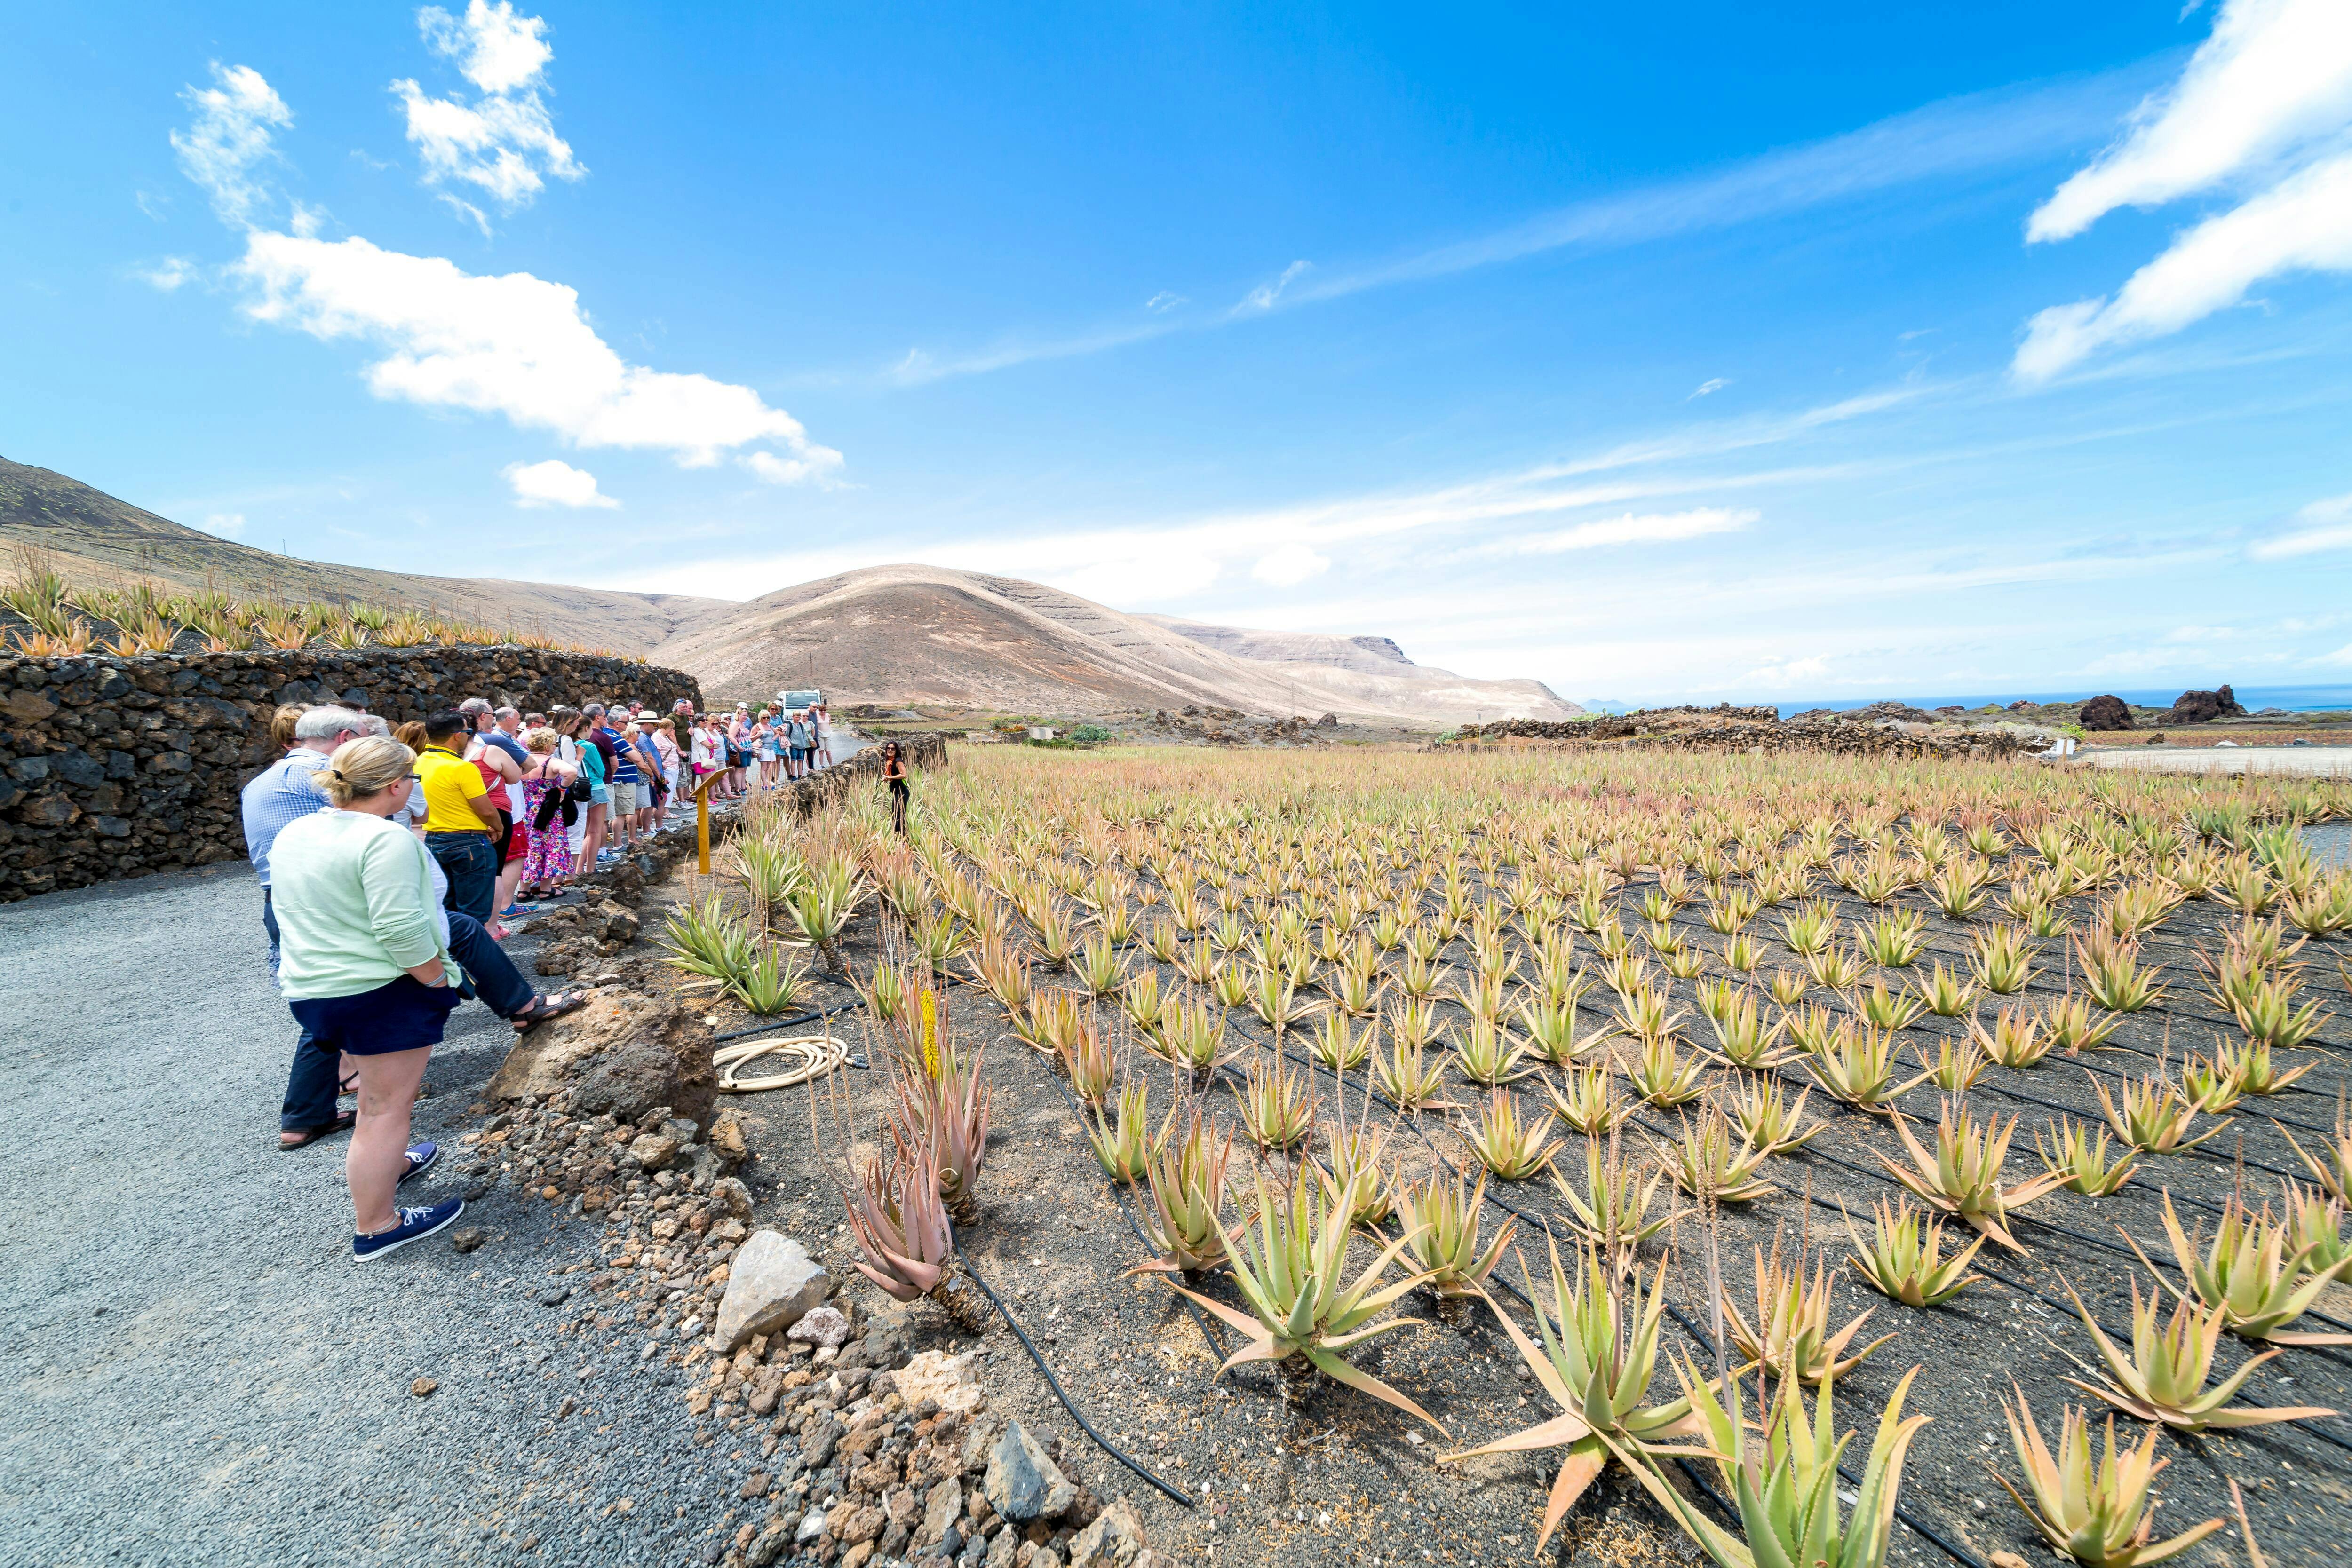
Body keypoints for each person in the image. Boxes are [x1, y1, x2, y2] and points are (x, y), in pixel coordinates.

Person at [266, 735, 466, 1259]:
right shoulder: (386, 839)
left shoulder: (296, 831)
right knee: (383, 1107)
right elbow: (400, 928)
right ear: (396, 785)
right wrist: (434, 979)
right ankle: (377, 1225)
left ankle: (392, 1165)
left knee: (380, 1103)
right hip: (379, 990)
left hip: (314, 987)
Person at [244, 704, 370, 1150]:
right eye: (361, 736)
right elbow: (366, 830)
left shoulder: (259, 784)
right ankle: (338, 1105)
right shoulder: (328, 781)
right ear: (343, 738)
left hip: (277, 898)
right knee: (341, 996)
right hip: (325, 896)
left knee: (317, 996)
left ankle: (309, 1113)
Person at [414, 710, 501, 922]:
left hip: (433, 839)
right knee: (474, 912)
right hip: (468, 841)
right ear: (457, 735)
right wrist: (499, 827)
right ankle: (473, 953)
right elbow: (486, 810)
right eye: (467, 731)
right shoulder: (462, 768)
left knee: (445, 908)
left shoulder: (418, 762)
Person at [518, 728, 579, 895]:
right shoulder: (549, 762)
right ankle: (545, 890)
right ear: (546, 746)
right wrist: (562, 789)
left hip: (526, 809)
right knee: (549, 846)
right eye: (554, 744)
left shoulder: (522, 761)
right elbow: (571, 772)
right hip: (548, 810)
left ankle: (524, 890)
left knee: (529, 848)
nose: (554, 747)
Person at [881, 740, 910, 834]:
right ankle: (898, 836)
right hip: (896, 791)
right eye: (888, 748)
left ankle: (904, 838)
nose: (890, 750)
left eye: (893, 749)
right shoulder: (890, 761)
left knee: (900, 815)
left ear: (896, 750)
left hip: (902, 791)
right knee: (895, 814)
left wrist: (890, 778)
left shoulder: (898, 761)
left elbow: (904, 775)